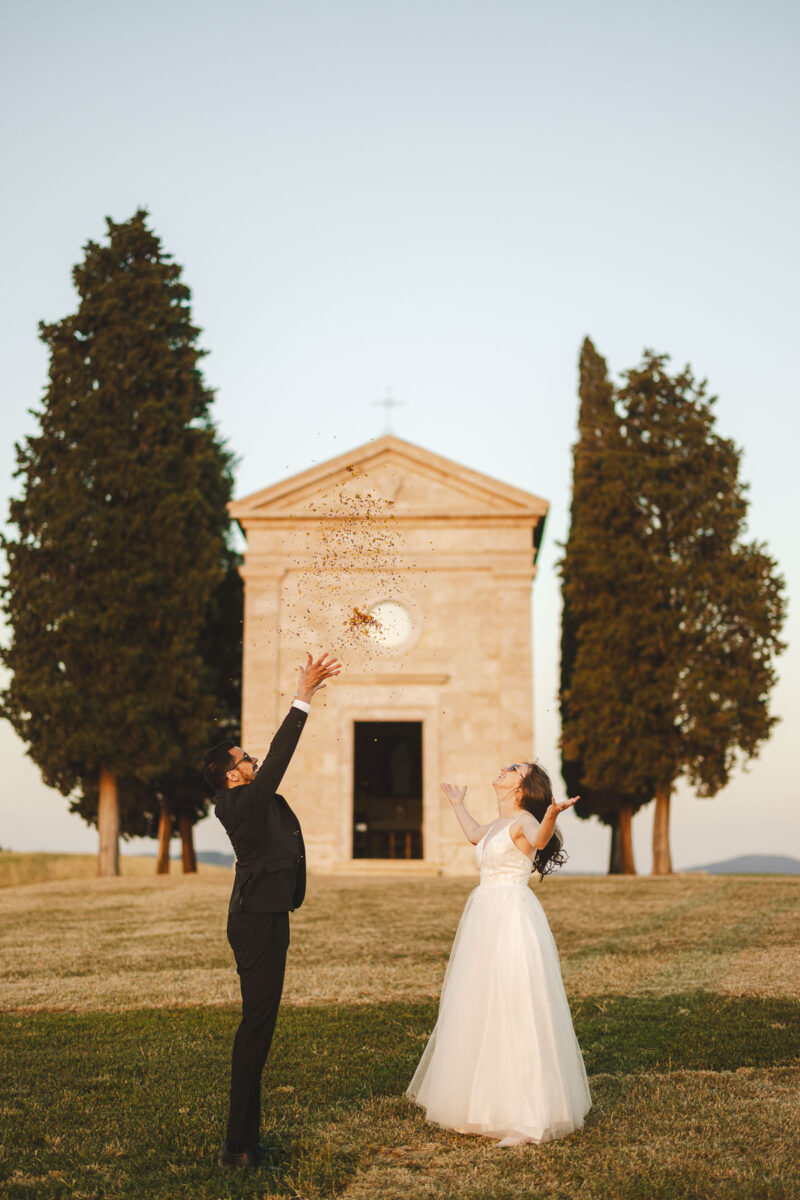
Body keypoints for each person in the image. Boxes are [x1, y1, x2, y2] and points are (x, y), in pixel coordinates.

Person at [202, 651, 341, 1170]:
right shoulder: (238, 804)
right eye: (244, 759)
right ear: (231, 777)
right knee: (256, 1026)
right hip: (256, 924)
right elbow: (279, 760)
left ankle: (245, 1141)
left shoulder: (244, 799)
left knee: (260, 1025)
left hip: (266, 916)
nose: (253, 760)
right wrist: (302, 697)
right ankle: (238, 1148)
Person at [406, 761, 591, 1146]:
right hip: (484, 916)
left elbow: (540, 841)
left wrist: (553, 814)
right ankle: (482, 1104)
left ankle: (526, 1113)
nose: (503, 769)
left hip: (512, 917)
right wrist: (457, 802)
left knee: (514, 1002)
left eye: (513, 769)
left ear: (523, 787)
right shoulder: (495, 825)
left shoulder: (525, 820)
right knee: (480, 1002)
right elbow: (475, 835)